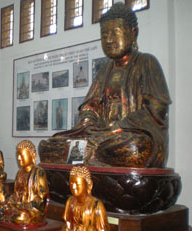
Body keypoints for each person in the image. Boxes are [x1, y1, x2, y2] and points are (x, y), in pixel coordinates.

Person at [40, 2, 171, 168]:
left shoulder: (147, 63)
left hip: (128, 135)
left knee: (135, 148)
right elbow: (90, 107)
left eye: (115, 33)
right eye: (104, 34)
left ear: (133, 33)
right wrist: (89, 123)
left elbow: (156, 110)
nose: (108, 40)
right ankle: (92, 155)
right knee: (51, 145)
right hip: (100, 137)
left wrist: (118, 127)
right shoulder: (104, 70)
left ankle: (90, 155)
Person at [39, 166, 109, 231]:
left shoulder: (96, 205)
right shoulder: (70, 202)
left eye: (78, 184)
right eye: (71, 184)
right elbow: (67, 228)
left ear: (89, 185)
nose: (74, 187)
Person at [0, 140, 49, 226]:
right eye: (18, 155)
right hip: (17, 207)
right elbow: (15, 195)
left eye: (22, 155)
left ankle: (11, 217)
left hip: (31, 211)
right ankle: (9, 217)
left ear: (32, 156)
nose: (18, 158)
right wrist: (7, 203)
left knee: (21, 217)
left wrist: (25, 206)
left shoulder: (38, 172)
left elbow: (41, 198)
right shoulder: (19, 173)